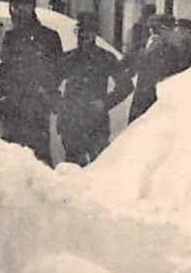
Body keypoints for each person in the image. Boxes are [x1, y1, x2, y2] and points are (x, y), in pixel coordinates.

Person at [0, 0, 63, 165]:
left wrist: (44, 89)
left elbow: (58, 69)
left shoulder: (49, 37)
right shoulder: (9, 37)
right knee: (9, 157)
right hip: (11, 105)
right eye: (14, 9)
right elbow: (7, 67)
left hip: (33, 105)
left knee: (35, 155)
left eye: (23, 9)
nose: (17, 13)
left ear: (32, 10)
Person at [54, 14, 133, 166]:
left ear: (95, 34)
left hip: (96, 120)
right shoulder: (68, 58)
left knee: (100, 167)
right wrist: (60, 104)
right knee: (74, 166)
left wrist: (105, 103)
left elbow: (126, 86)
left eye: (89, 32)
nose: (84, 36)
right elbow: (50, 84)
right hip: (72, 119)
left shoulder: (105, 58)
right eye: (81, 31)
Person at [127, 13, 179, 123]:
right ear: (162, 30)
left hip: (161, 103)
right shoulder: (139, 47)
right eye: (170, 30)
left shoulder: (174, 52)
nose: (172, 34)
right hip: (140, 100)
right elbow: (125, 67)